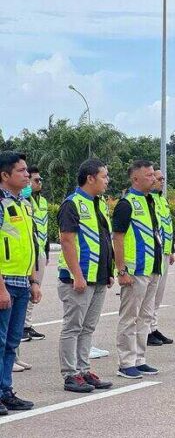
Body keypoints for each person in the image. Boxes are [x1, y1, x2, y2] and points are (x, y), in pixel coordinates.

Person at [57, 159, 114, 393]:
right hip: (79, 278)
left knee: (88, 327)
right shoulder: (72, 204)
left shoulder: (99, 204)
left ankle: (83, 369)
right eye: (104, 176)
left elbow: (104, 239)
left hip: (98, 276)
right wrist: (77, 275)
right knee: (73, 327)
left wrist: (109, 271)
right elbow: (67, 241)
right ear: (90, 178)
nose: (107, 180)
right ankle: (70, 374)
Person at [111, 160, 162, 379]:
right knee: (129, 317)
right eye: (149, 175)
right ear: (135, 178)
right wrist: (122, 270)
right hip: (135, 270)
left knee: (146, 317)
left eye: (153, 175)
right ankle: (126, 362)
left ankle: (140, 359)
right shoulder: (126, 204)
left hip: (152, 268)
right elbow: (118, 238)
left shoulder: (151, 201)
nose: (153, 178)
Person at [0, 152, 42, 414]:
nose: (27, 175)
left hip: (22, 282)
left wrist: (34, 281)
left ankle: (6, 390)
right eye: (22, 171)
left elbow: (28, 246)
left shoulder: (25, 204)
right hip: (4, 283)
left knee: (12, 343)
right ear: (5, 176)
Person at [148, 168, 175, 346]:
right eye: (158, 179)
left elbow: (167, 226)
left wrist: (171, 249)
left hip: (164, 252)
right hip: (152, 254)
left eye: (163, 179)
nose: (161, 181)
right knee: (150, 295)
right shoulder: (148, 201)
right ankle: (147, 330)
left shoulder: (162, 200)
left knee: (158, 295)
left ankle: (153, 326)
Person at [22, 166, 48, 342]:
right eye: (36, 180)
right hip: (30, 251)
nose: (40, 183)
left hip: (41, 249)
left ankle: (27, 324)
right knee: (28, 289)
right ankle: (22, 326)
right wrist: (26, 190)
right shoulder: (24, 199)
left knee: (35, 289)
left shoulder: (43, 201)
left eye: (40, 180)